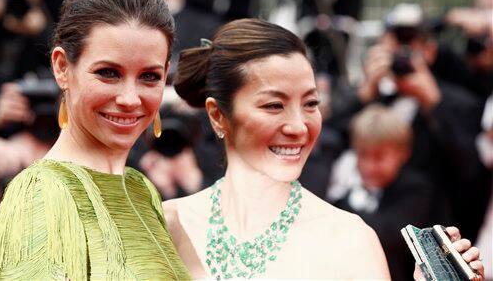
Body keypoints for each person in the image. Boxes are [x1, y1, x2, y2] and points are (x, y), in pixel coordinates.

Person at [165, 18, 485, 280]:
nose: (298, 126)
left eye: (311, 103)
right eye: (274, 105)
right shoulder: (165, 222)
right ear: (218, 115)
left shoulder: (351, 240)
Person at [0, 0, 190, 280]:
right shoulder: (41, 194)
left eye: (149, 77)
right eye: (108, 73)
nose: (129, 98)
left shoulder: (141, 189)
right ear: (61, 67)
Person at [331, 104, 437, 281]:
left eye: (379, 157)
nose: (368, 166)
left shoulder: (416, 189)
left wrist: (349, 206)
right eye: (362, 155)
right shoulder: (344, 189)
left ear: (403, 153)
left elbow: (391, 235)